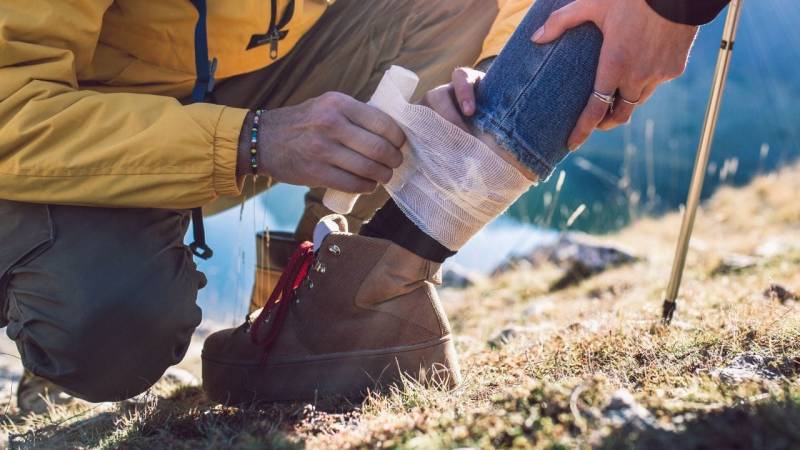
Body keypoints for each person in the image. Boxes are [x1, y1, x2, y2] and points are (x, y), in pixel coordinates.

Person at [0, 0, 728, 411]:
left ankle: (320, 314)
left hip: (244, 79)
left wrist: (476, 77)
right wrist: (249, 142)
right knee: (112, 335)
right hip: (62, 130)